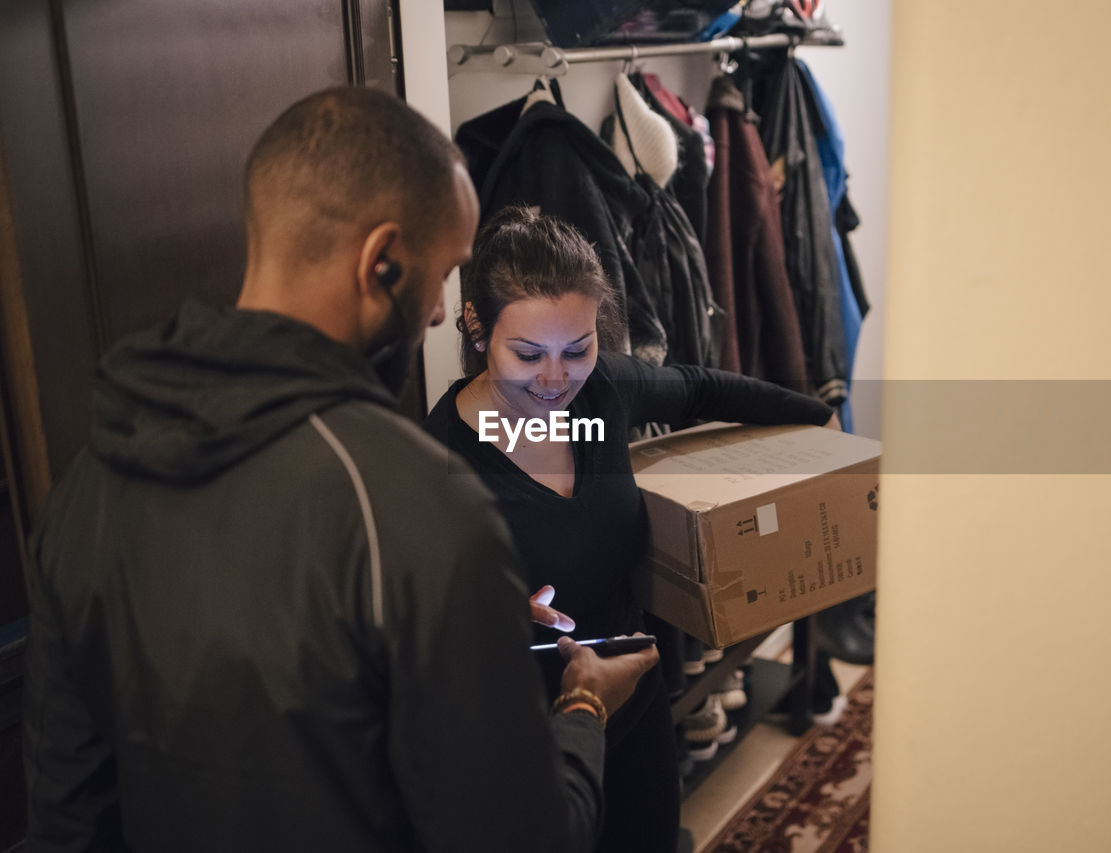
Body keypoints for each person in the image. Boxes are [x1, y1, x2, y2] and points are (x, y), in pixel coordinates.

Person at [22, 86, 657, 853]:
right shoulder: (417, 505)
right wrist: (584, 710)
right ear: (381, 262)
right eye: (440, 273)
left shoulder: (85, 489)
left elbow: (70, 809)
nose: (435, 316)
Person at [422, 205, 840, 853]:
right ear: (478, 328)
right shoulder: (431, 462)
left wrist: (817, 416)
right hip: (529, 743)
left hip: (635, 707)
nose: (556, 379)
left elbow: (701, 389)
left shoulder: (603, 393)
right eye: (528, 355)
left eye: (579, 348)